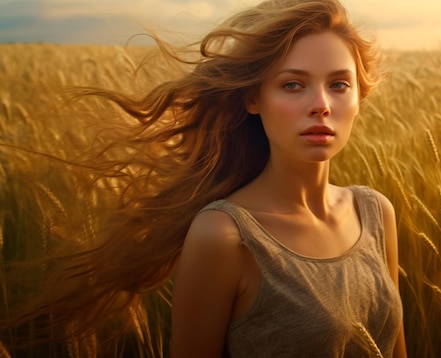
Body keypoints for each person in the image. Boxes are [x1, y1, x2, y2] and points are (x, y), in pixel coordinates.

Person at [2, 0, 406, 356]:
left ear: (359, 96)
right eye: (292, 85)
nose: (320, 105)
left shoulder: (374, 212)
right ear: (253, 98)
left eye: (339, 84)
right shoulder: (224, 235)